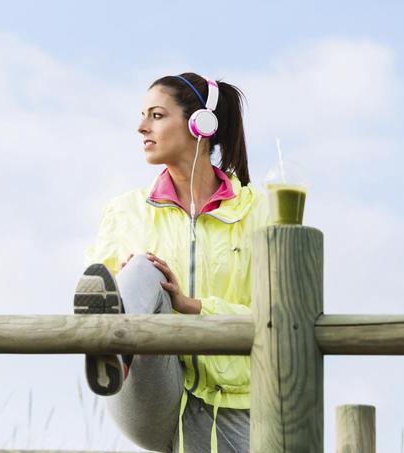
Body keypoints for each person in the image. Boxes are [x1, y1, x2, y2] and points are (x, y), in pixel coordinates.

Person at [74, 73, 269, 453]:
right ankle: (108, 346)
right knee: (142, 268)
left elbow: (278, 317)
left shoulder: (259, 212)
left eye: (157, 115)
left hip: (242, 402)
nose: (141, 127)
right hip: (154, 394)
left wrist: (193, 307)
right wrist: (128, 281)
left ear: (200, 124)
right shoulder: (124, 211)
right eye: (143, 115)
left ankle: (115, 330)